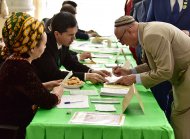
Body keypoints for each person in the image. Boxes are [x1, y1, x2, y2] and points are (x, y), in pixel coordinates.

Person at [113, 15, 190, 139]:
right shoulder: (147, 31)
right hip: (183, 73)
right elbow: (153, 65)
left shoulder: (151, 35)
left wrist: (134, 78)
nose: (123, 44)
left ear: (130, 30)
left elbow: (164, 71)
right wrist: (129, 71)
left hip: (186, 73)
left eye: (120, 39)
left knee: (181, 118)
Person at [0, 12, 64, 139]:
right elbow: (47, 101)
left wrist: (44, 86)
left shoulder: (13, 60)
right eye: (44, 44)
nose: (45, 48)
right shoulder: (21, 67)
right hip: (14, 126)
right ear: (32, 47)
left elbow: (21, 89)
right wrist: (58, 92)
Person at [32, 12, 110, 84]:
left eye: (75, 34)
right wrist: (86, 76)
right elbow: (54, 74)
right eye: (70, 35)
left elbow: (70, 62)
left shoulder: (63, 42)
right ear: (57, 34)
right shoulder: (45, 45)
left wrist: (91, 71)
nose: (74, 38)